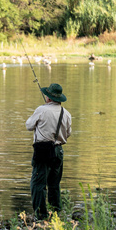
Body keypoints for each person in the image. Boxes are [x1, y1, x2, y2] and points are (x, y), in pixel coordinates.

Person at [26, 83, 72, 220]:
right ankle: (56, 213)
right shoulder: (66, 113)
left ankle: (41, 215)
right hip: (58, 150)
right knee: (54, 183)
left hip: (43, 150)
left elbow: (28, 126)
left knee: (38, 184)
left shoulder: (42, 110)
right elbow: (68, 133)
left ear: (48, 98)